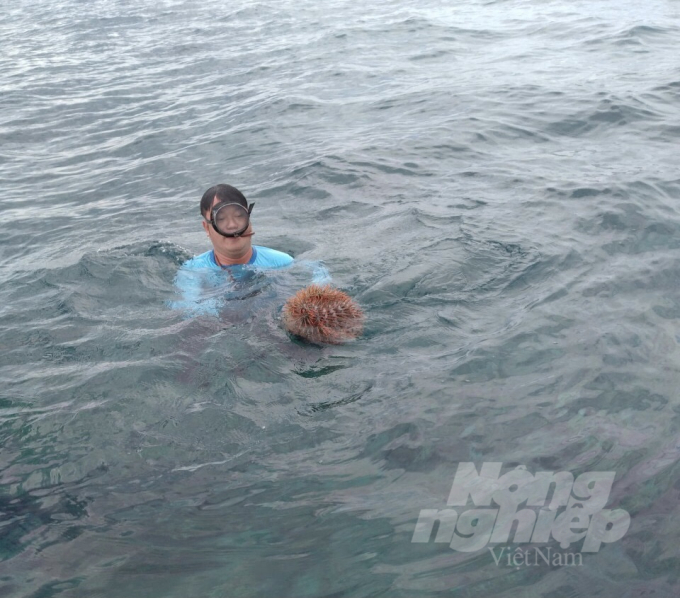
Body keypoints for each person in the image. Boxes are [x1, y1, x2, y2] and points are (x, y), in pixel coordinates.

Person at [170, 184, 329, 316]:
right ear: (206, 227)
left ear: (248, 218)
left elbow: (317, 270)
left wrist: (316, 293)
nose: (232, 225)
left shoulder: (281, 261)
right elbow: (188, 312)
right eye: (221, 218)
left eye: (238, 216)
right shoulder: (192, 271)